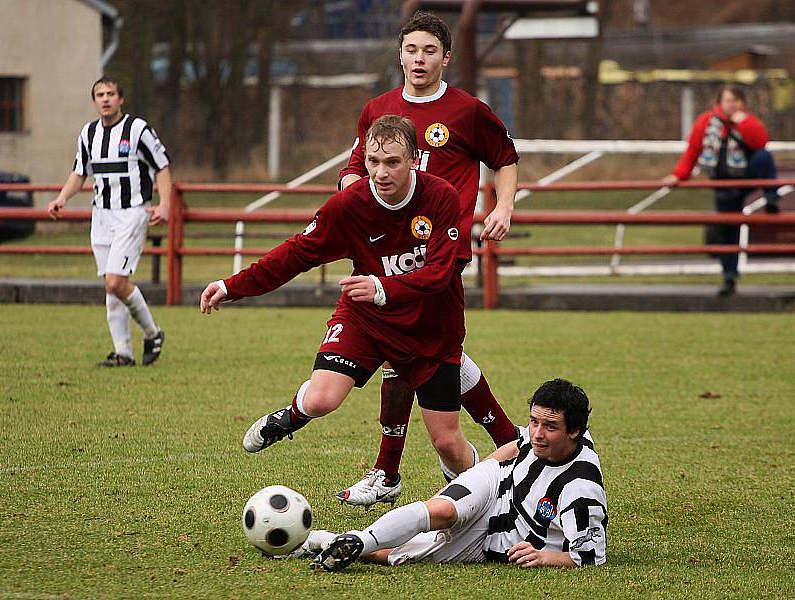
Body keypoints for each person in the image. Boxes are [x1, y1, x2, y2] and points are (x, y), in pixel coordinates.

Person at [200, 114, 479, 479]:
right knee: (321, 399)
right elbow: (296, 254)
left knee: (447, 444)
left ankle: (486, 493)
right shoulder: (350, 205)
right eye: (373, 162)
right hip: (366, 319)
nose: (381, 173)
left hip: (427, 328)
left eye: (393, 162)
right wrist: (232, 285)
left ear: (414, 159)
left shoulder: (441, 196)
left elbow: (441, 272)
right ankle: (292, 416)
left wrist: (381, 287)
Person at [336, 11, 520, 507]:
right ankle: (508, 443)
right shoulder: (378, 108)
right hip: (387, 250)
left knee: (409, 344)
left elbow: (505, 158)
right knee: (425, 349)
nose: (419, 59)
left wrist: (501, 206)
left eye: (430, 51)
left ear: (446, 57)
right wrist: (353, 202)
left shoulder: (467, 111)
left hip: (442, 249)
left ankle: (387, 471)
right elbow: (353, 171)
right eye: (412, 50)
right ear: (400, 54)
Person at [301, 378, 606, 571]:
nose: (537, 433)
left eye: (549, 427)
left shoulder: (582, 490)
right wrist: (480, 475)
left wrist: (545, 557)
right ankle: (360, 539)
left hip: (495, 543)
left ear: (576, 431)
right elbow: (517, 444)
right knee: (444, 512)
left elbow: (590, 556)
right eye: (534, 421)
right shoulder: (545, 434)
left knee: (400, 555)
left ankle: (322, 541)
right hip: (495, 484)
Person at [47, 75, 169, 366]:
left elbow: (162, 166)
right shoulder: (88, 134)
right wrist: (62, 198)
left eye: (110, 93)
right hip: (101, 216)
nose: (105, 98)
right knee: (111, 284)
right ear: (94, 101)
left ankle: (153, 332)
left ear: (120, 99)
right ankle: (123, 352)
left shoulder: (137, 129)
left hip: (132, 213)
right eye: (99, 94)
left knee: (116, 282)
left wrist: (164, 204)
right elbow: (80, 173)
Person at [662, 85, 782, 297]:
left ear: (742, 103)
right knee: (727, 229)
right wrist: (678, 175)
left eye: (736, 101)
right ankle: (729, 277)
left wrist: (742, 124)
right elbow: (693, 150)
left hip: (746, 175)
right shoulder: (705, 122)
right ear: (720, 102)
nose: (731, 105)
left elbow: (760, 142)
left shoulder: (749, 121)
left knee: (764, 158)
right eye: (728, 100)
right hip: (724, 183)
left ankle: (771, 197)